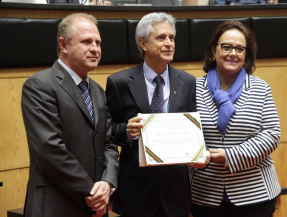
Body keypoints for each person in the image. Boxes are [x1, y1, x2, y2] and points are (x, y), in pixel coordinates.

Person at [105, 12, 207, 217]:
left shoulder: (187, 81)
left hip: (175, 190)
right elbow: (106, 131)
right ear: (142, 43)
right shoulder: (120, 82)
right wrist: (126, 130)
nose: (169, 43)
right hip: (136, 190)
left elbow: (193, 128)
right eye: (161, 37)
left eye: (172, 38)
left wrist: (197, 153)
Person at [21, 13, 119, 217]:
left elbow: (108, 144)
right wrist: (92, 191)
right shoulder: (40, 85)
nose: (95, 49)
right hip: (57, 205)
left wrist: (108, 183)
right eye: (86, 42)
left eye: (98, 42)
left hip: (95, 207)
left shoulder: (98, 91)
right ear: (63, 45)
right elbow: (50, 150)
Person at [190, 20, 281, 217]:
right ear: (213, 50)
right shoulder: (193, 88)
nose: (233, 53)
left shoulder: (260, 88)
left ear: (246, 55)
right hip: (205, 194)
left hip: (255, 195)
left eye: (240, 49)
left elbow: (272, 135)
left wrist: (229, 156)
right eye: (227, 47)